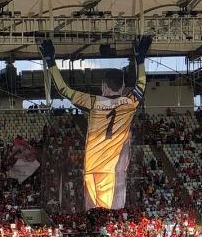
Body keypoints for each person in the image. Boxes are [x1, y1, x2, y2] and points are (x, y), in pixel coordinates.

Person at [38, 34, 152, 210]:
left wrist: (51, 61)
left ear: (104, 86)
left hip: (91, 168)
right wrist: (141, 60)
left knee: (91, 213)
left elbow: (63, 90)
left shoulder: (93, 102)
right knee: (107, 213)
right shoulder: (130, 102)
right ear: (121, 87)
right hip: (111, 170)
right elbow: (141, 85)